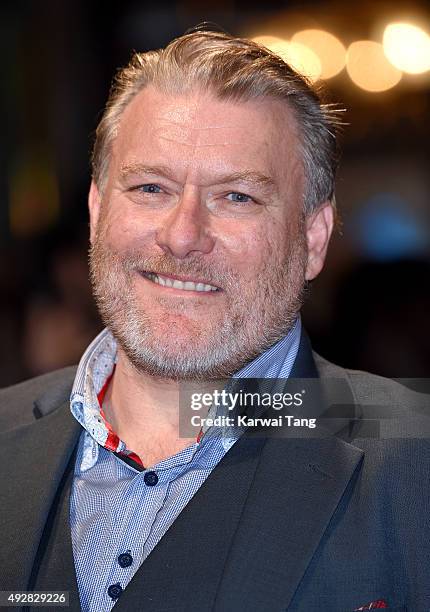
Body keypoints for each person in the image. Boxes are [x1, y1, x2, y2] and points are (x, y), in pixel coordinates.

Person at [1, 28, 429, 612]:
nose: (182, 236)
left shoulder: (416, 461)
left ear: (313, 237)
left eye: (236, 198)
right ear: (98, 211)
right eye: (151, 187)